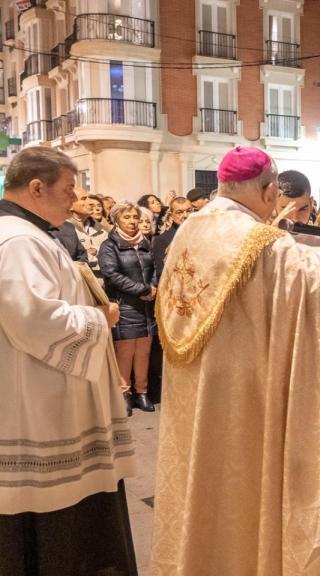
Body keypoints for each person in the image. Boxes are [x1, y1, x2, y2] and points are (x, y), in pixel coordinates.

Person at [152, 146, 320, 575]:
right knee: (250, 483)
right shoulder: (257, 241)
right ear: (268, 188)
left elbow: (297, 269)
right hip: (247, 392)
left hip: (203, 390)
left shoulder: (192, 229)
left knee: (208, 479)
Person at [0, 147, 137, 576]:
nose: (74, 199)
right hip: (38, 403)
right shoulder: (19, 240)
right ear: (36, 187)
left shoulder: (30, 234)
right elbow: (31, 317)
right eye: (68, 188)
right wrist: (101, 317)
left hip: (46, 392)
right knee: (53, 526)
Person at [99, 201, 158, 413]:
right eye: (127, 217)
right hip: (125, 305)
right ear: (116, 220)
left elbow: (154, 269)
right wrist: (142, 290)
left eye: (135, 217)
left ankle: (142, 393)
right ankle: (124, 393)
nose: (133, 222)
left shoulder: (145, 243)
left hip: (146, 307)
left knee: (143, 352)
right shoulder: (110, 245)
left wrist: (153, 288)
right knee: (124, 352)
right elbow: (112, 275)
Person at [152, 196, 192, 284]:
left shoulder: (200, 234)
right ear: (171, 215)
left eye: (189, 211)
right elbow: (161, 273)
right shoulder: (162, 240)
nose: (185, 215)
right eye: (179, 212)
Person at [68, 193, 108, 275]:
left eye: (88, 198)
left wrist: (95, 250)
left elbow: (111, 256)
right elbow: (73, 262)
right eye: (83, 199)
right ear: (70, 206)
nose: (90, 202)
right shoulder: (65, 229)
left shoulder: (100, 229)